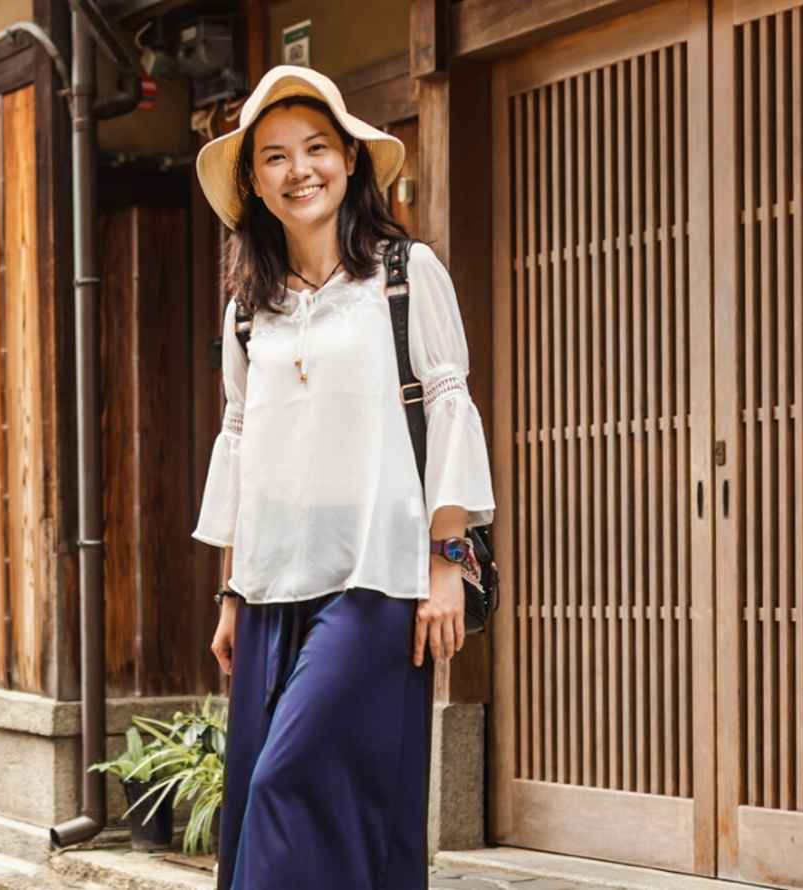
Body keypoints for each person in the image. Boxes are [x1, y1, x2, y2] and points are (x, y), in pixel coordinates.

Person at [190, 65, 495, 890]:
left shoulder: (402, 276)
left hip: (377, 579)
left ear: (352, 160)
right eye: (276, 158)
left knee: (287, 781)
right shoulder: (247, 308)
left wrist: (447, 561)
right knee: (300, 806)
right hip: (270, 586)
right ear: (253, 183)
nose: (301, 171)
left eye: (317, 149)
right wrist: (231, 589)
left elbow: (448, 405)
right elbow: (244, 439)